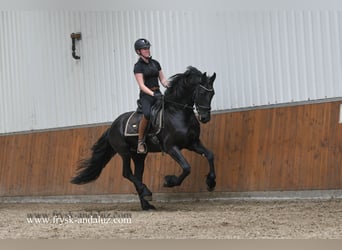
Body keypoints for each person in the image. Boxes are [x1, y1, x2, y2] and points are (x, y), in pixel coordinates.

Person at [133, 38, 169, 154]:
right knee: (148, 114)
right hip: (146, 96)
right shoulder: (138, 66)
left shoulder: (155, 63)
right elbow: (141, 85)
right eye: (144, 49)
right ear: (138, 51)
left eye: (148, 48)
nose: (147, 50)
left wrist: (169, 85)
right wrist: (153, 94)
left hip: (158, 93)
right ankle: (140, 141)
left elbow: (162, 79)